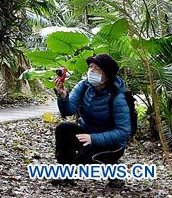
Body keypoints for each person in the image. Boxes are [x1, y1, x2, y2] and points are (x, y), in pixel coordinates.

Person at [52, 53, 131, 188]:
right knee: (63, 129)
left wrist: (93, 138)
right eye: (90, 67)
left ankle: (114, 170)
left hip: (112, 144)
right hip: (87, 134)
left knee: (84, 159)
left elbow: (124, 132)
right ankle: (65, 173)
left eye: (96, 69)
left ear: (107, 75)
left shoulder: (118, 97)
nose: (91, 71)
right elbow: (68, 110)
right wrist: (63, 97)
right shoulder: (84, 86)